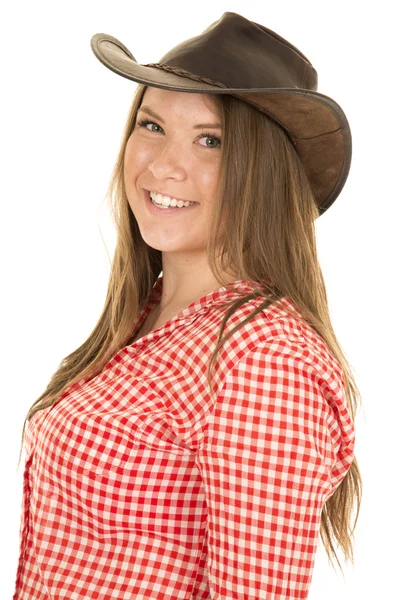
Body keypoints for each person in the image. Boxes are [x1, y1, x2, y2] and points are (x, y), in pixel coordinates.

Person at [13, 11, 362, 600]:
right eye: (151, 126)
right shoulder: (145, 319)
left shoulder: (266, 360)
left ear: (264, 173)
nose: (161, 166)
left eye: (210, 139)